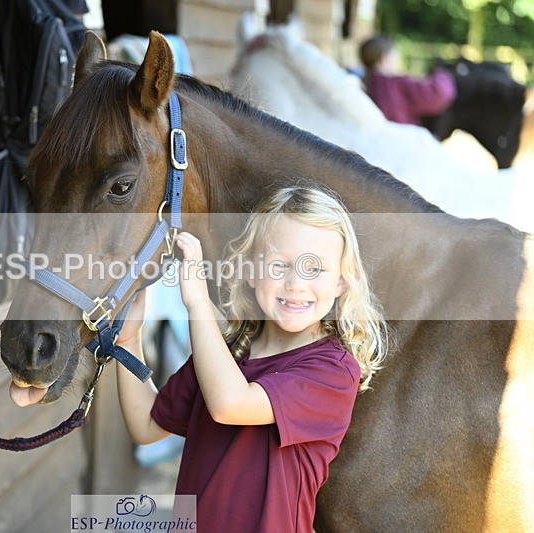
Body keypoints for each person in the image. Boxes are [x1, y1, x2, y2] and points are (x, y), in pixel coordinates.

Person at [115, 187, 388, 532]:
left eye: (315, 268)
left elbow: (230, 404)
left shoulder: (332, 370)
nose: (295, 284)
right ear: (251, 271)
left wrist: (198, 303)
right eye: (279, 265)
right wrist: (129, 339)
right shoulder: (225, 354)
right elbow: (146, 425)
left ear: (341, 283)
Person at [360, 34, 457, 126]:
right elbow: (440, 93)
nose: (398, 59)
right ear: (384, 58)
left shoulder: (365, 82)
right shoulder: (395, 84)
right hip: (399, 139)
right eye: (395, 55)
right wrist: (441, 72)